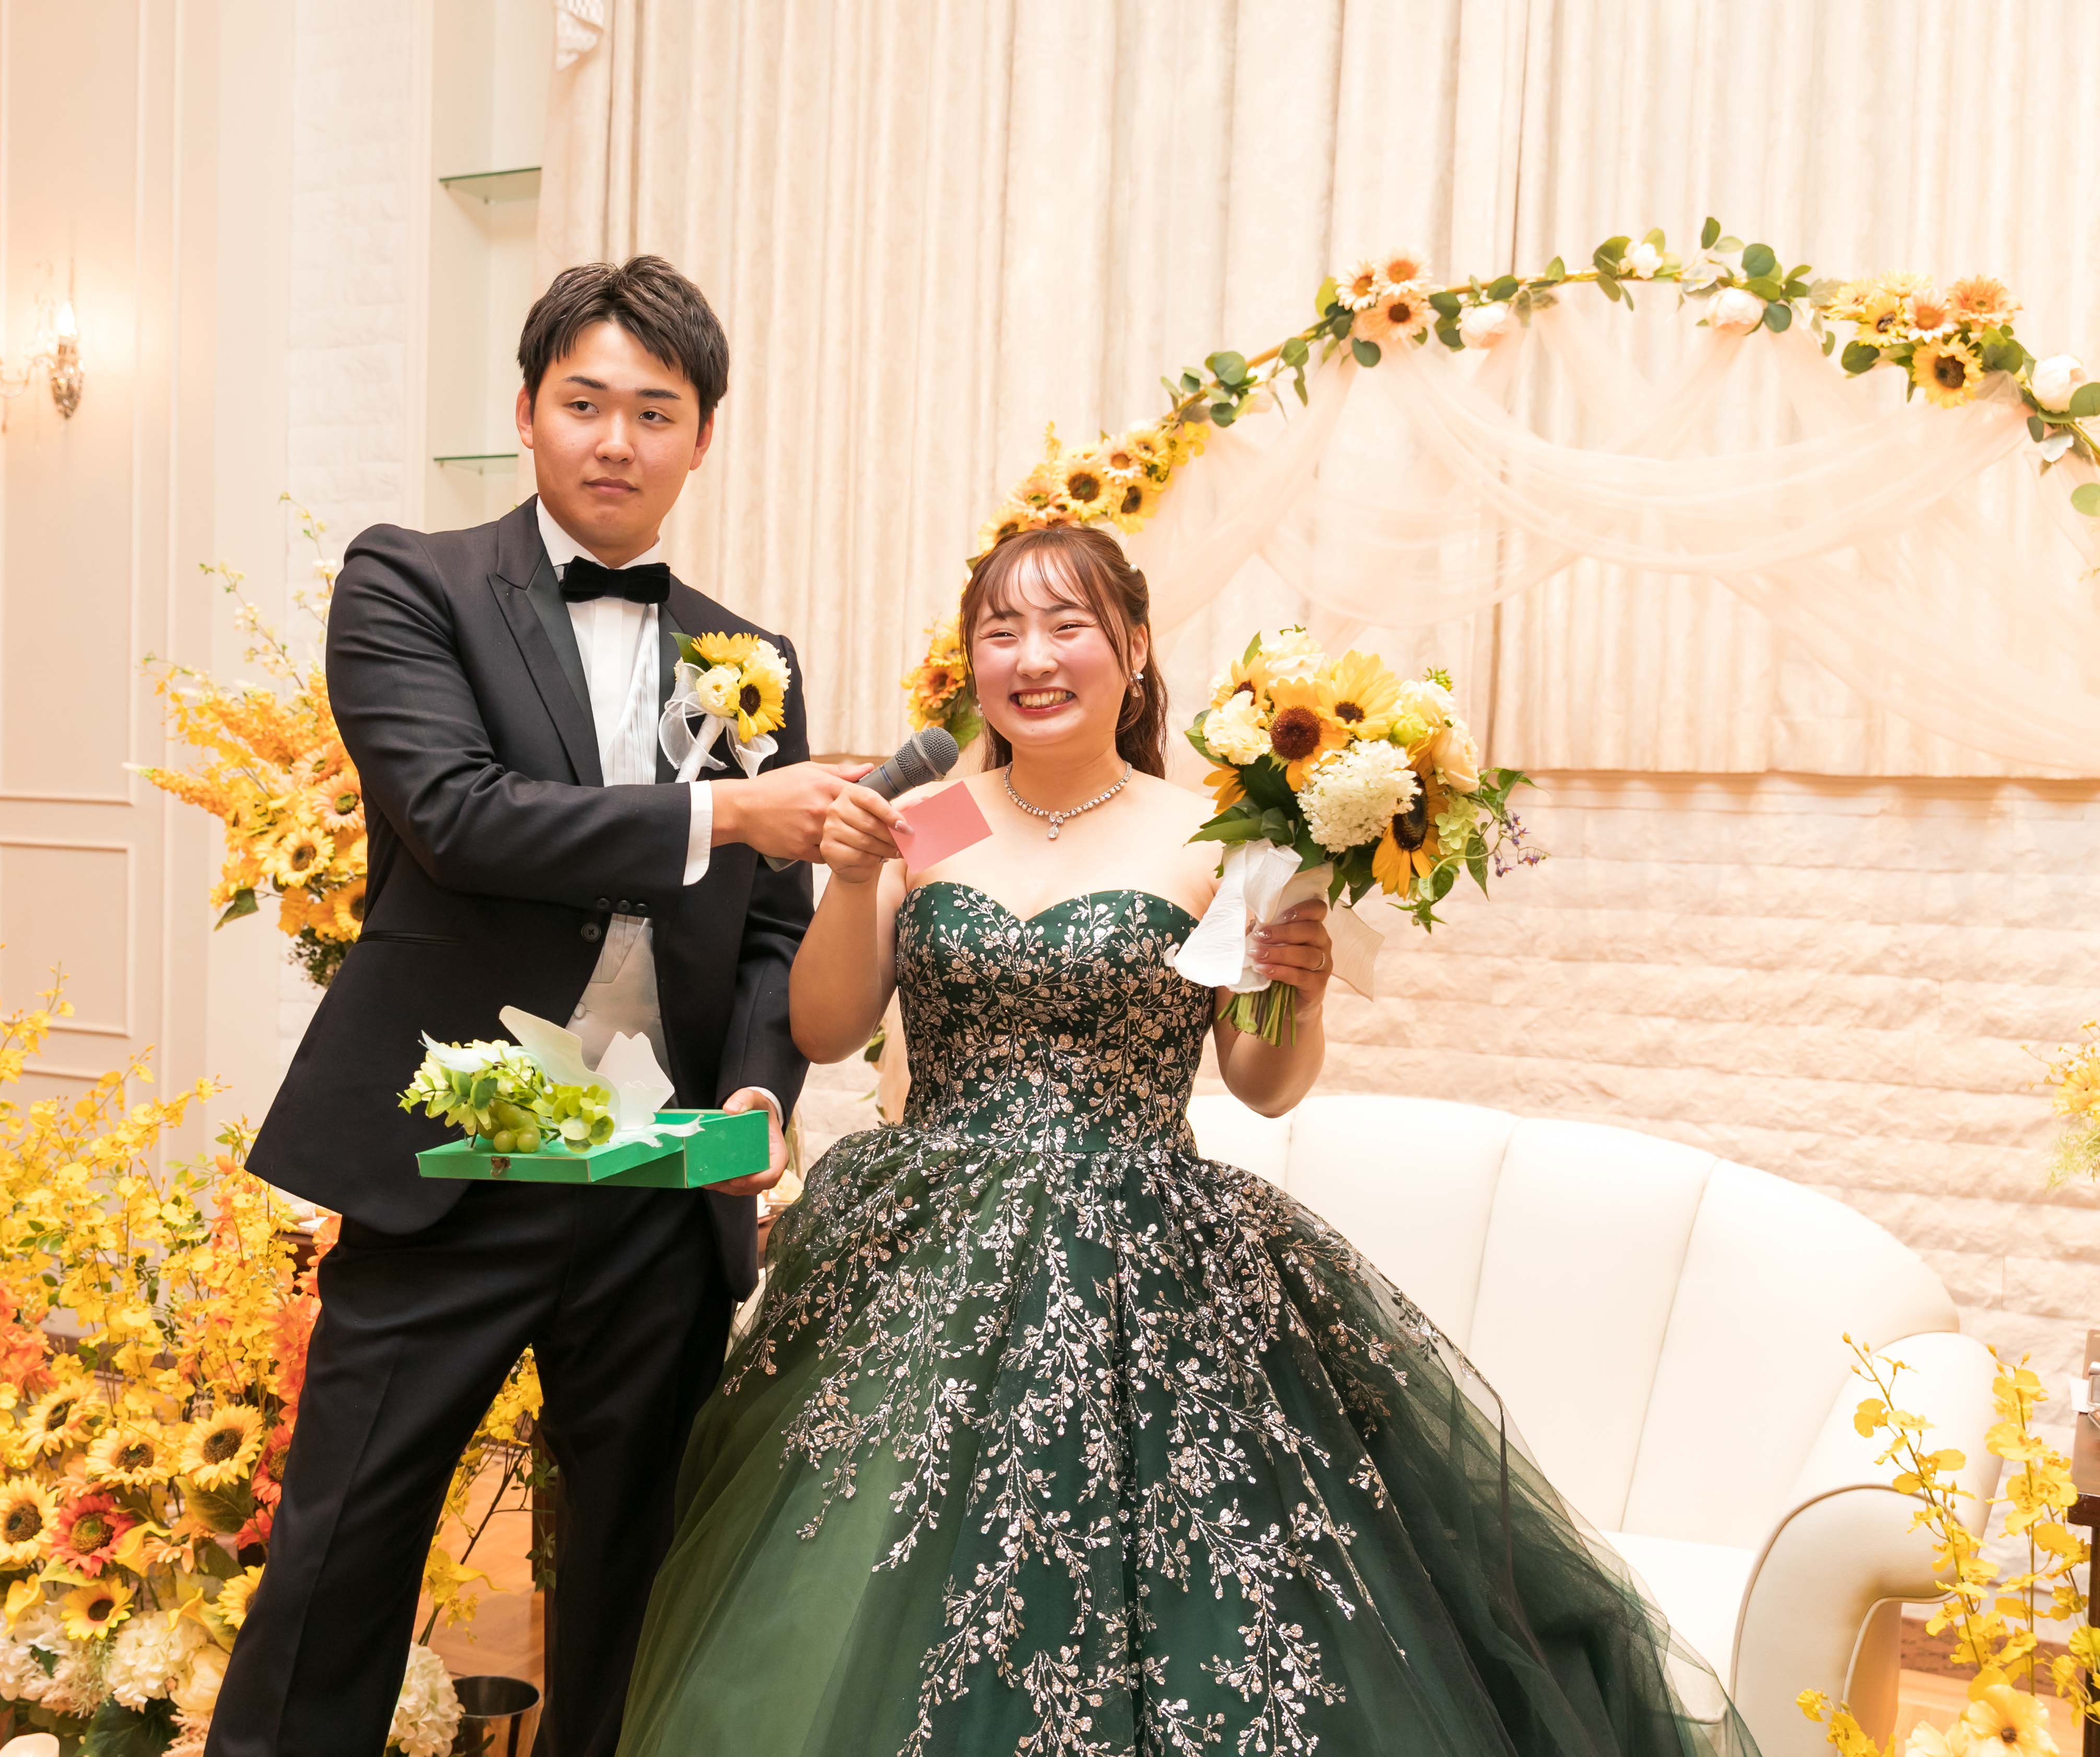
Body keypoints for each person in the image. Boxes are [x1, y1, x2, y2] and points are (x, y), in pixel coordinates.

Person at [616, 526, 1758, 1755]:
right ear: (972, 662)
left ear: (1135, 649)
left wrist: (1298, 991)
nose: (1033, 658)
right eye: (1001, 632)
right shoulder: (932, 822)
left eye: (1067, 627)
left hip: (1144, 1267)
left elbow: (1264, 1085)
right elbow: (828, 1028)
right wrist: (851, 882)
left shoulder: (1215, 838)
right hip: (924, 1258)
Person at [207, 257, 862, 1757]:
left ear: (703, 438)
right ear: (526, 413)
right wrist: (725, 815)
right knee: (340, 1554)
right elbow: (456, 814)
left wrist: (759, 1091)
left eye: (656, 412)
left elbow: (772, 933)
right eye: (585, 403)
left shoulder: (750, 660)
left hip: (660, 1186)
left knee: (633, 1576)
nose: (617, 441)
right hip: (455, 1164)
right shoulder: (411, 583)